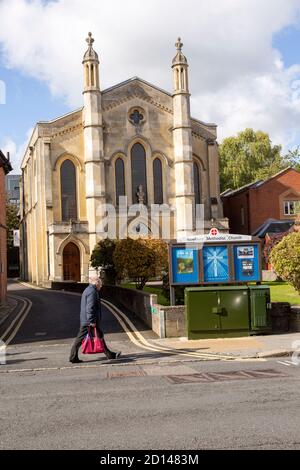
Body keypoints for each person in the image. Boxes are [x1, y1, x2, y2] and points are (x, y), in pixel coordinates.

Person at [69, 276, 121, 363]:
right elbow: (90, 308)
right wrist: (91, 321)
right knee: (80, 339)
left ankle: (110, 355)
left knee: (99, 336)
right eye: (100, 284)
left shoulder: (89, 289)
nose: (101, 286)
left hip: (87, 320)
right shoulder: (92, 292)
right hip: (89, 321)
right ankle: (73, 357)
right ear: (96, 283)